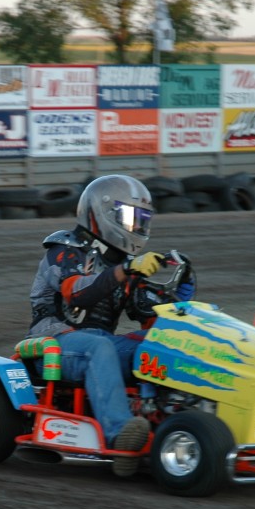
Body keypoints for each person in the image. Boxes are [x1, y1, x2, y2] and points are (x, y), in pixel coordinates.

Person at [25, 174, 195, 476]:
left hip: (98, 344)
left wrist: (178, 299)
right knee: (99, 346)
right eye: (130, 218)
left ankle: (176, 421)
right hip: (53, 342)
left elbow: (153, 320)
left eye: (142, 220)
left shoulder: (122, 264)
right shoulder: (64, 250)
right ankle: (121, 435)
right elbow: (77, 294)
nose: (137, 227)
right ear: (103, 213)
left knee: (162, 343)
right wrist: (126, 270)